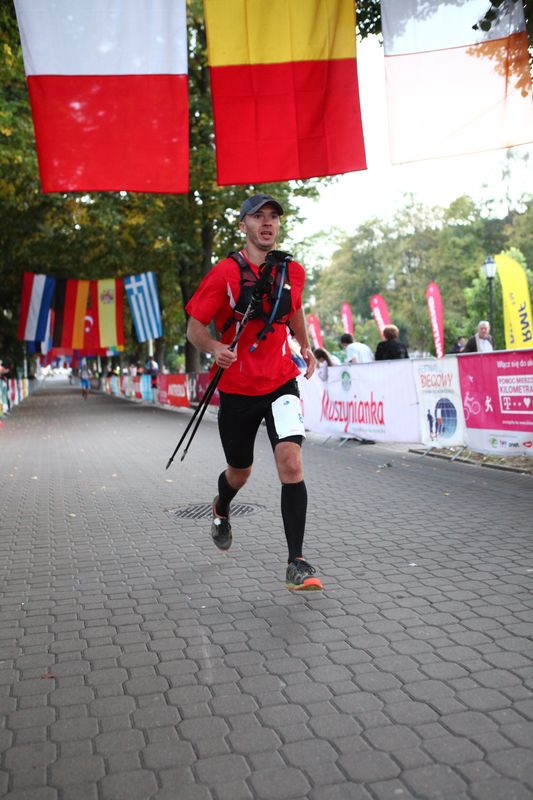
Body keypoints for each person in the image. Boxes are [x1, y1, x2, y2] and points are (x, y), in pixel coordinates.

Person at [186, 193, 322, 591]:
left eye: (273, 217)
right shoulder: (224, 273)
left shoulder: (292, 270)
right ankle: (222, 506)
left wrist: (306, 345)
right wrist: (214, 348)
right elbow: (195, 328)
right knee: (239, 471)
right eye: (258, 216)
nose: (267, 223)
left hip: (281, 380)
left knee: (291, 464)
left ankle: (296, 562)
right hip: (237, 388)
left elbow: (294, 309)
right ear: (243, 224)